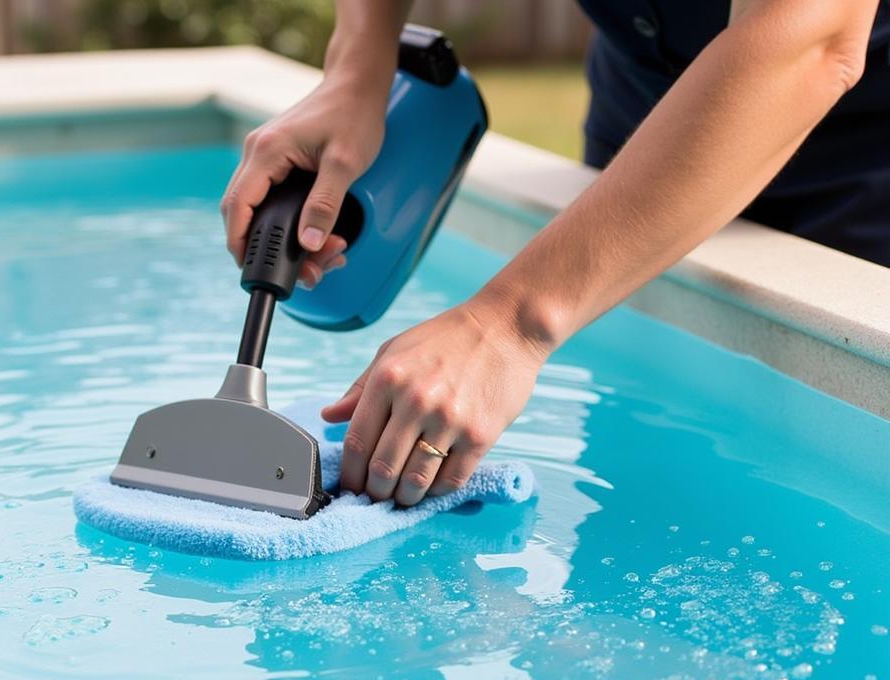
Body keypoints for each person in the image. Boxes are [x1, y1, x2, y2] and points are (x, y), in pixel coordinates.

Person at [221, 1, 887, 508]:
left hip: (866, 155)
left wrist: (508, 325)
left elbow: (814, 39)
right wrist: (357, 68)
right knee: (636, 489)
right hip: (649, 108)